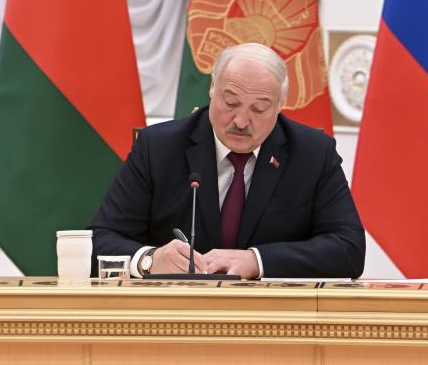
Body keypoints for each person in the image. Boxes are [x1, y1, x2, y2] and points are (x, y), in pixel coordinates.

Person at [90, 43, 365, 279]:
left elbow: (349, 248)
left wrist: (255, 261)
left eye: (259, 109)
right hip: (174, 317)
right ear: (212, 89)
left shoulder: (312, 154)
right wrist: (149, 260)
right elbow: (97, 241)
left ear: (280, 105)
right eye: (230, 103)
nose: (241, 121)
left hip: (275, 322)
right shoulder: (158, 148)